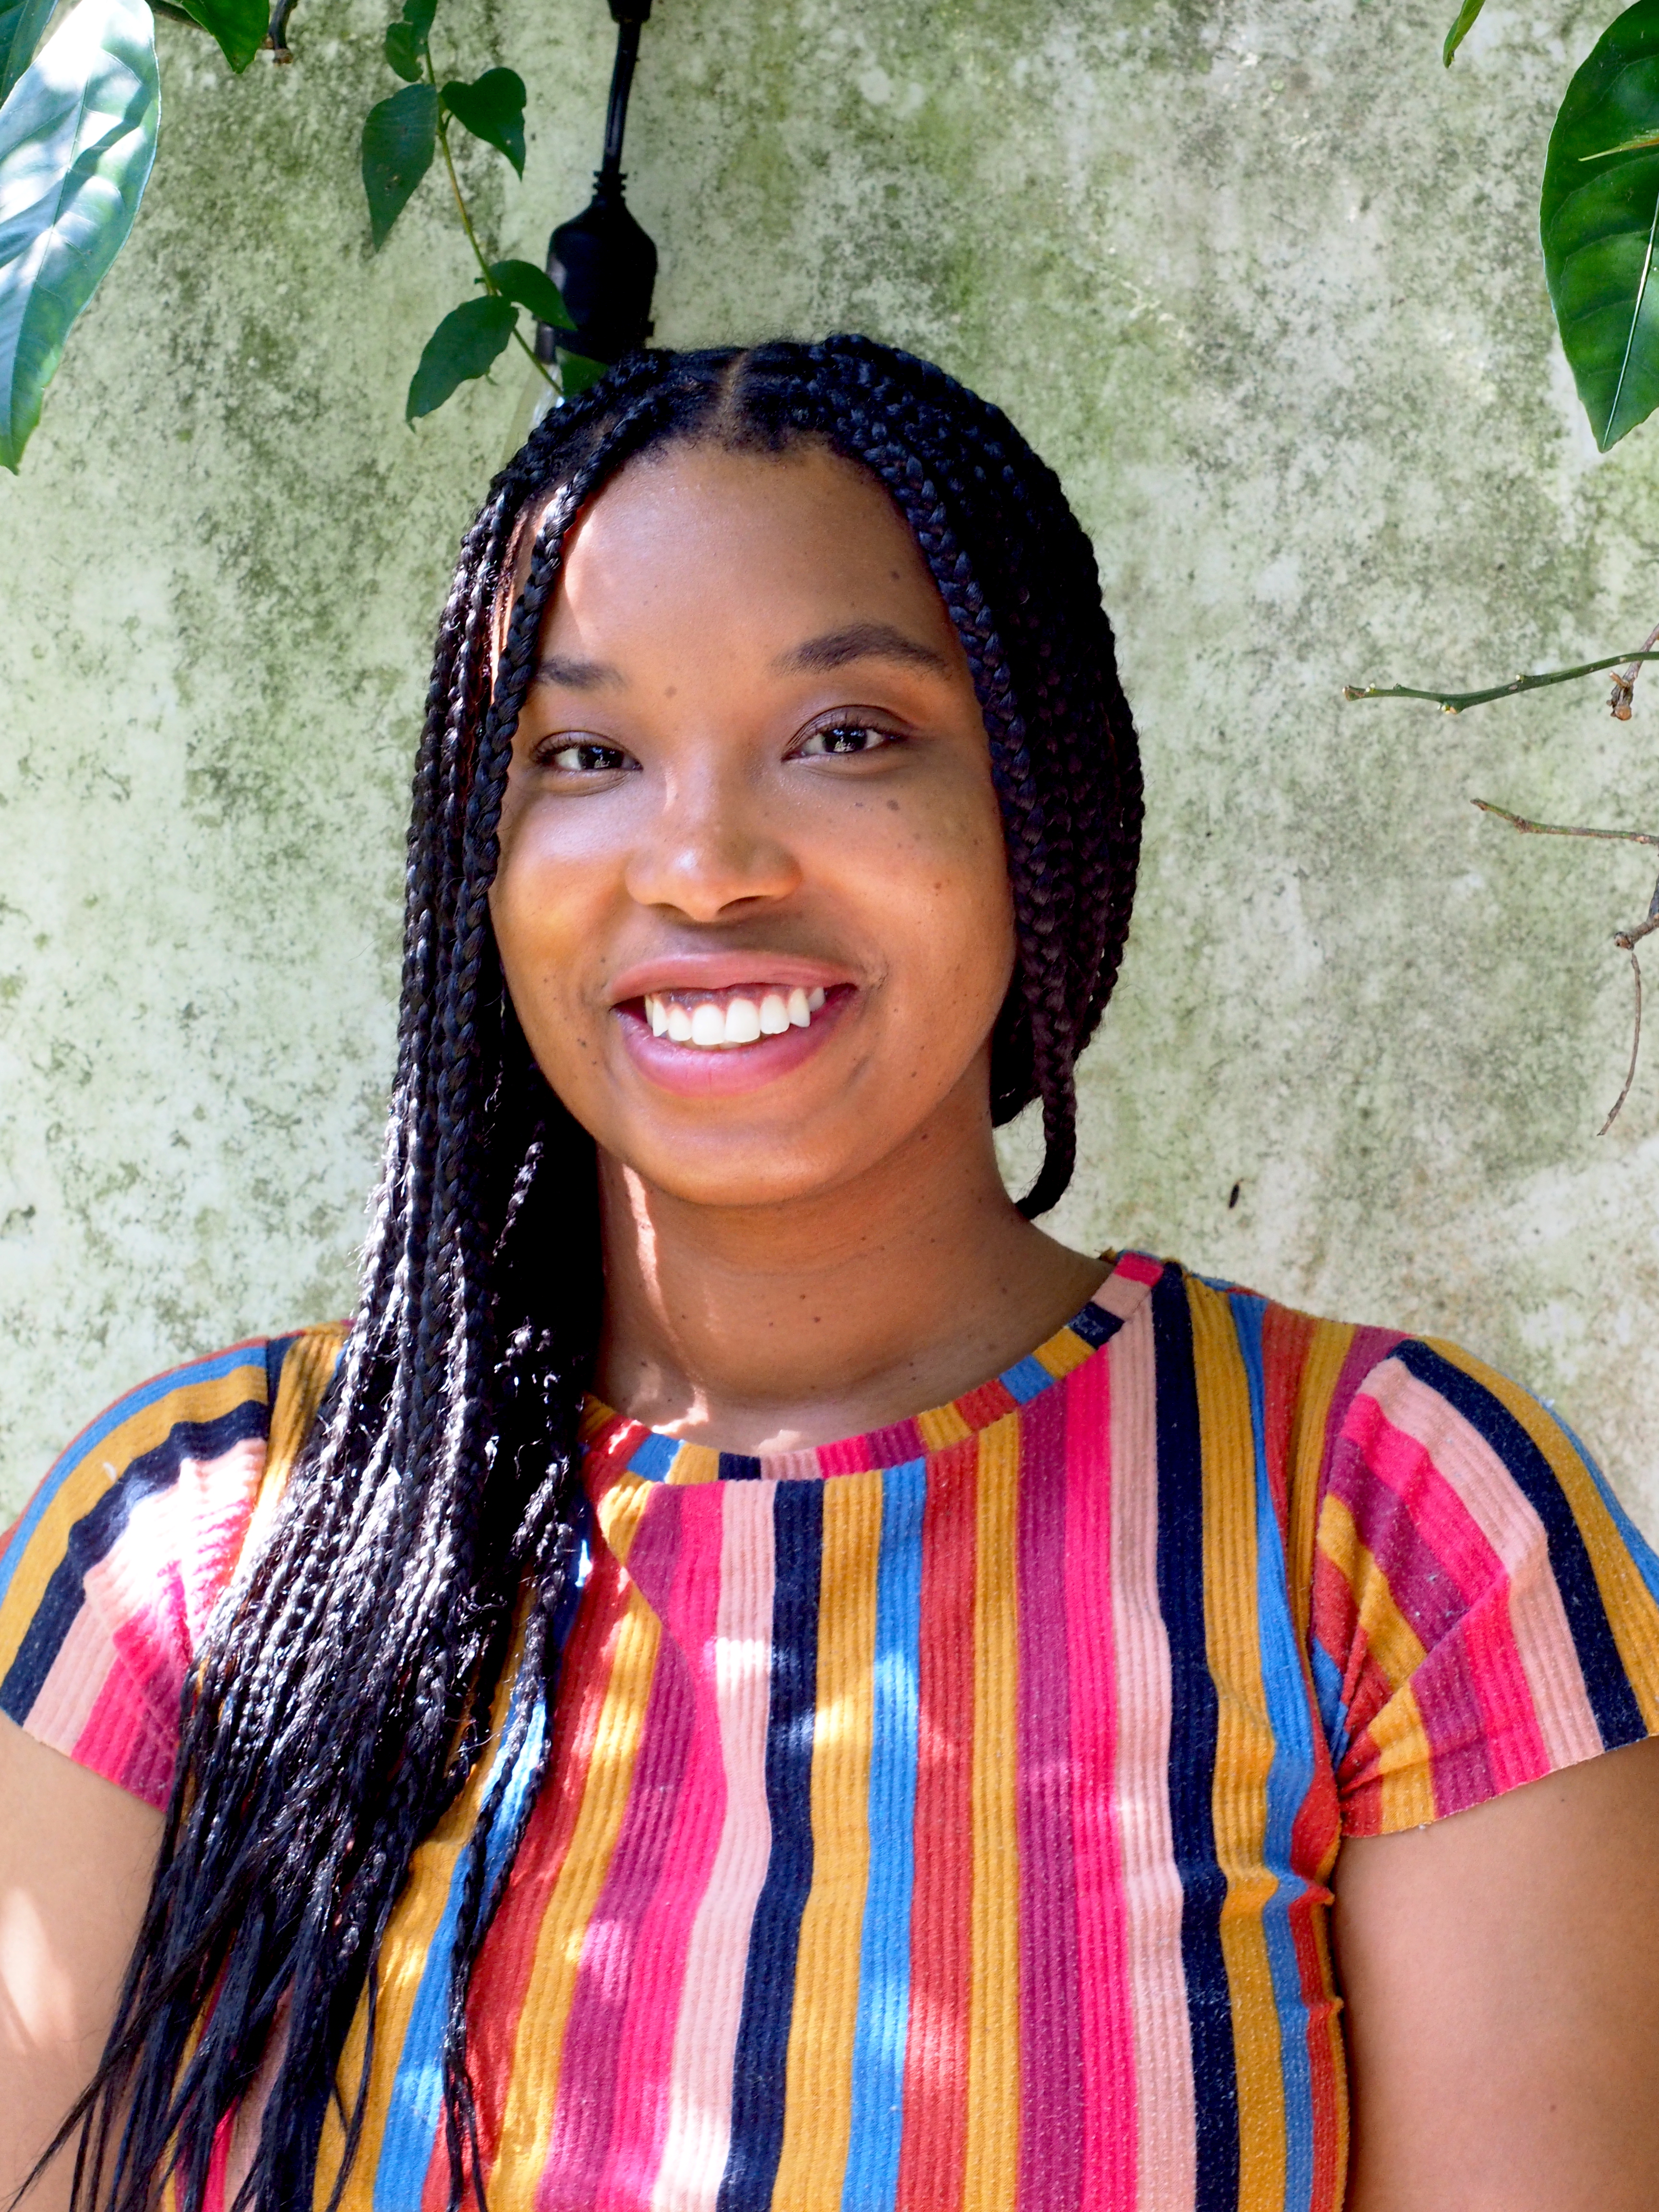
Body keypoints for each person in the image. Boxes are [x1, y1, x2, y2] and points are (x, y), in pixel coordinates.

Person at [2, 337, 1658, 2212]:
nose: (705, 864)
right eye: (586, 753)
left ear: (1046, 811)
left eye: (847, 736)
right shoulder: (200, 1550)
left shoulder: (1399, 1527)